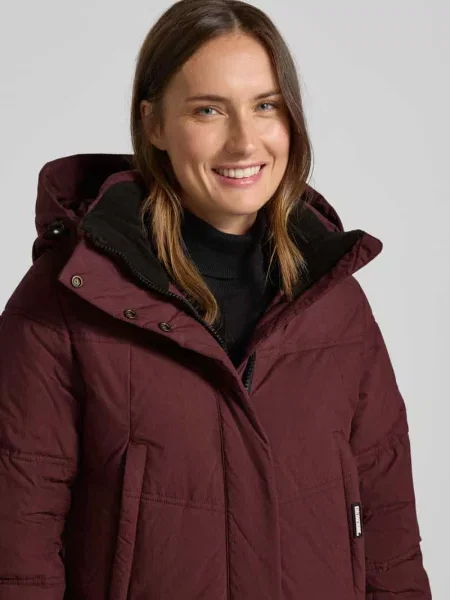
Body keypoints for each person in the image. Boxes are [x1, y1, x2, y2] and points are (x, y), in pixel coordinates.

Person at [0, 0, 432, 598]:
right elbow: (18, 547)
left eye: (266, 106)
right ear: (154, 124)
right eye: (208, 110)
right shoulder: (69, 300)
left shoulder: (336, 305)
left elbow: (390, 538)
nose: (244, 141)